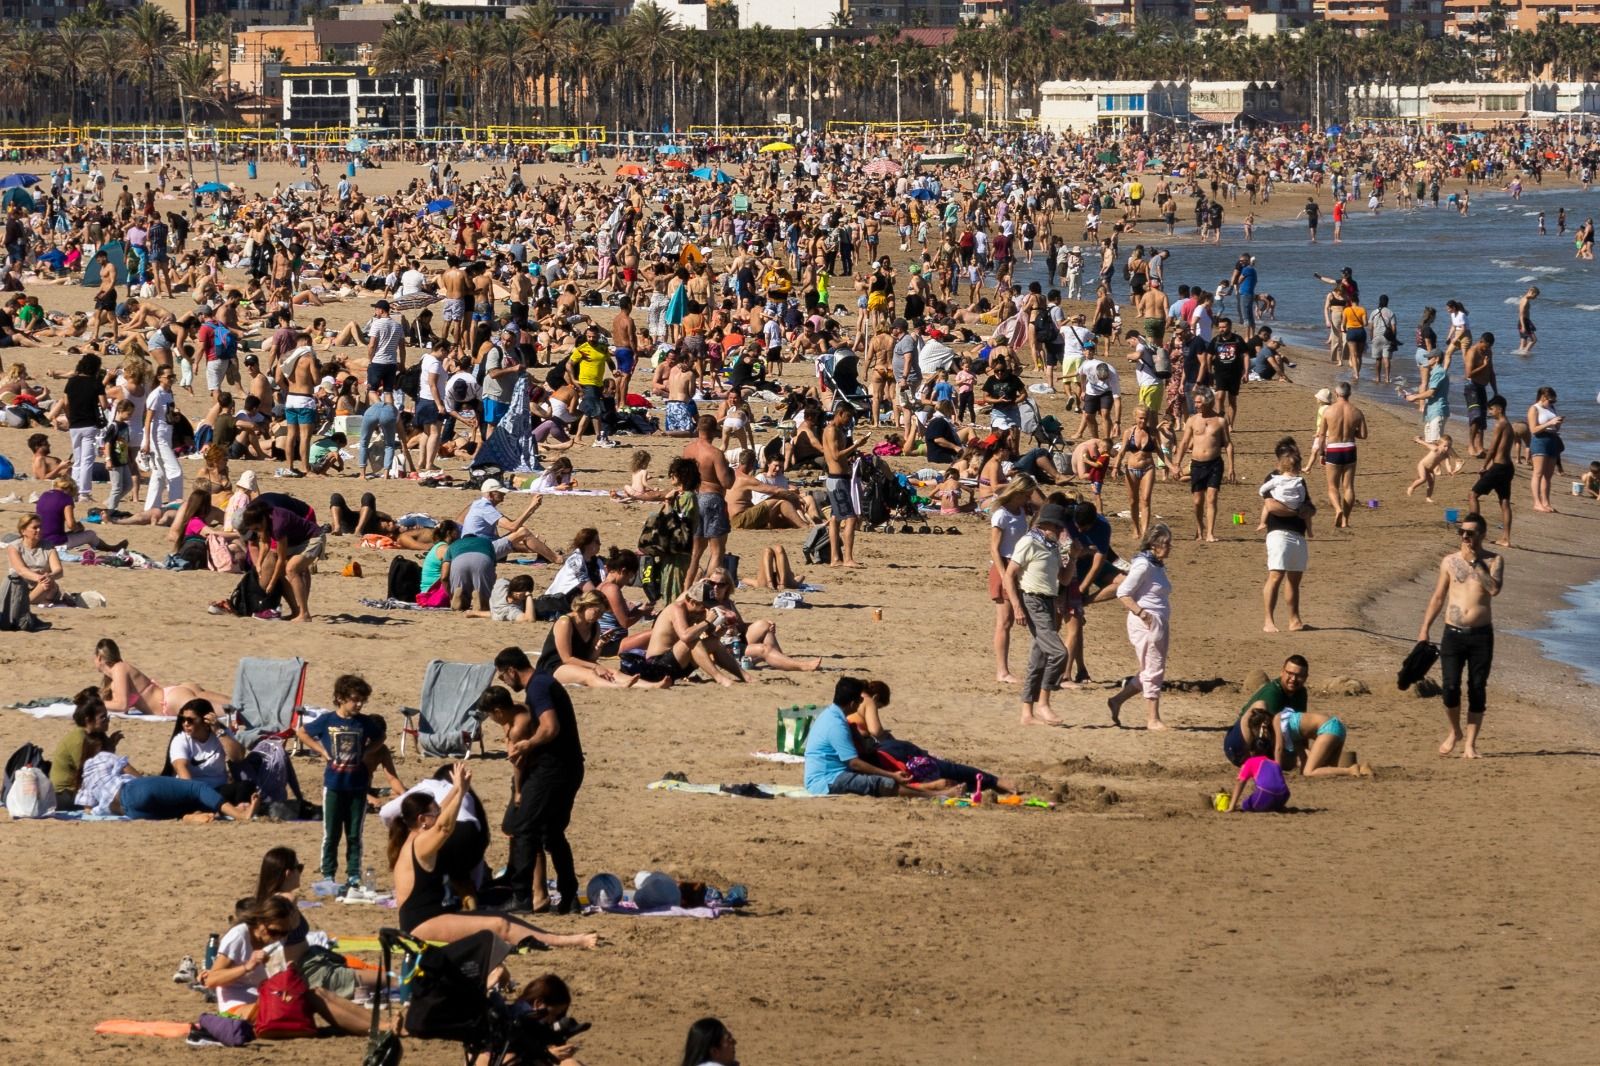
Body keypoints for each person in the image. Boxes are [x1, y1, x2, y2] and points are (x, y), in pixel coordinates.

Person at [388, 762, 596, 948]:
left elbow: (440, 813)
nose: (439, 814)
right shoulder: (420, 843)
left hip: (434, 916)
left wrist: (459, 788)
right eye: (433, 814)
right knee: (499, 924)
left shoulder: (416, 834)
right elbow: (443, 827)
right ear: (423, 819)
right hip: (420, 926)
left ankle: (556, 937)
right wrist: (460, 794)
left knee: (498, 916)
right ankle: (570, 941)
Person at [488, 648, 594, 915]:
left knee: (524, 828)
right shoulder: (545, 682)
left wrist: (527, 745)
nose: (505, 682)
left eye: (503, 676)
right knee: (552, 833)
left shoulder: (537, 688)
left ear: (512, 670)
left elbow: (550, 727)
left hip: (554, 769)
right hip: (570, 768)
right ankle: (569, 896)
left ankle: (523, 896)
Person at [200, 896, 374, 1035]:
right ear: (260, 922)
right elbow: (211, 980)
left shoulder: (275, 938)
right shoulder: (239, 936)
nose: (277, 937)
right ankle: (376, 1027)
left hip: (264, 1000)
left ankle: (377, 1024)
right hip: (237, 1009)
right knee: (312, 997)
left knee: (316, 993)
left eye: (283, 933)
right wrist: (247, 966)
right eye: (273, 932)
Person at [1418, 510, 1503, 759]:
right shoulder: (1449, 561)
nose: (1465, 537)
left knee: (1477, 687)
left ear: (1482, 535)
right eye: (1462, 532)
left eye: (1470, 533)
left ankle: (1471, 743)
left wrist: (1477, 563)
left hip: (1481, 635)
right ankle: (1455, 731)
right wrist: (1424, 629)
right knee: (1451, 686)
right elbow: (1438, 597)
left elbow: (1494, 590)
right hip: (1452, 633)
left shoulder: (1494, 560)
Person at [296, 675, 387, 893]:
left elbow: (381, 737)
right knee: (331, 833)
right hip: (334, 785)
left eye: (362, 700)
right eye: (355, 699)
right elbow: (301, 732)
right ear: (340, 698)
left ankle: (353, 875)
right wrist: (321, 751)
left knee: (355, 833)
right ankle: (328, 874)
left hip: (357, 786)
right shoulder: (328, 720)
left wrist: (366, 751)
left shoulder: (364, 722)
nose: (359, 704)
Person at [250, 846, 376, 1001]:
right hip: (310, 972)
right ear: (288, 873)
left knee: (369, 973)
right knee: (388, 980)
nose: (301, 873)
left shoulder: (265, 901)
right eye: (299, 868)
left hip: (309, 965)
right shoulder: (285, 900)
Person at [804, 676, 938, 797]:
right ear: (852, 704)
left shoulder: (830, 715)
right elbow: (854, 763)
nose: (862, 702)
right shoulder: (836, 725)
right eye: (860, 700)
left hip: (831, 775)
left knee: (876, 774)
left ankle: (928, 789)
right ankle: (934, 795)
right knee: (882, 782)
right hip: (827, 781)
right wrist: (891, 775)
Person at [1006, 502, 1069, 727]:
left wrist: (1073, 556)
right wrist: (1017, 606)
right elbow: (1010, 574)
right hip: (1032, 600)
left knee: (1039, 658)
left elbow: (1063, 579)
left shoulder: (1051, 546)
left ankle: (1027, 713)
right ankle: (1044, 702)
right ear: (1047, 525)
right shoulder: (1029, 542)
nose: (1061, 532)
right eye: (1059, 528)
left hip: (1048, 600)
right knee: (1059, 652)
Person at [1106, 524, 1173, 731]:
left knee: (1150, 668)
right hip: (1147, 623)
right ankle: (1152, 718)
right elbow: (1123, 592)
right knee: (1154, 668)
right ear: (1154, 545)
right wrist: (1143, 614)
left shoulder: (1156, 564)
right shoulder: (1143, 565)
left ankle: (1117, 700)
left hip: (1157, 621)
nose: (1170, 547)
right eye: (1166, 543)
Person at [1259, 437, 1315, 633]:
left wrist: (1306, 511)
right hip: (1279, 533)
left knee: (1294, 578)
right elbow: (1271, 506)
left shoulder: (1299, 481)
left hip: (1298, 534)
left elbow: (1310, 506)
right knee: (1276, 575)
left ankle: (1294, 620)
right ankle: (1269, 621)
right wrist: (1297, 512)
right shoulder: (1273, 479)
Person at [94, 637, 231, 716]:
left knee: (229, 713)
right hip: (172, 694)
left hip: (169, 701)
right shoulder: (119, 672)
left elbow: (122, 705)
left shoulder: (119, 668)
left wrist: (94, 704)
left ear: (99, 657)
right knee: (235, 705)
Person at [988, 476, 1035, 685]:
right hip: (1004, 565)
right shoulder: (1001, 514)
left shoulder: (1022, 511)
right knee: (1005, 621)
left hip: (1018, 564)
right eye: (1027, 494)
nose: (1029, 498)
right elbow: (994, 548)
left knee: (1015, 620)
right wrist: (1003, 573)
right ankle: (1002, 671)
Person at [1225, 655, 1311, 766]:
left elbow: (1299, 726)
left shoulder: (1301, 693)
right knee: (1261, 706)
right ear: (1282, 672)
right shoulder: (1273, 693)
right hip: (1238, 744)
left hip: (1268, 745)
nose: (1293, 679)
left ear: (1306, 677)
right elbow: (1275, 731)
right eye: (1290, 673)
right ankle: (1255, 760)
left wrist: (1305, 750)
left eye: (1299, 675)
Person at [1170, 387, 1232, 542]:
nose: (1196, 405)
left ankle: (1210, 533)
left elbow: (1228, 444)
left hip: (1215, 464)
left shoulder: (1220, 421)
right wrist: (1176, 463)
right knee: (1198, 501)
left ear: (1208, 401)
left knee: (1212, 498)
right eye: (1195, 402)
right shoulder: (1192, 420)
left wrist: (1232, 467)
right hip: (1196, 464)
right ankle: (1200, 528)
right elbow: (1184, 443)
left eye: (1199, 402)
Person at [823, 402, 869, 568]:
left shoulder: (836, 430)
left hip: (838, 478)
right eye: (848, 416)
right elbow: (835, 456)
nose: (849, 421)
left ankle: (835, 558)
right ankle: (847, 558)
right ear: (840, 413)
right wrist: (856, 445)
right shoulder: (832, 430)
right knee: (850, 518)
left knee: (835, 518)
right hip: (837, 479)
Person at [1319, 382, 1366, 529]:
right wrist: (1352, 432)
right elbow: (1363, 435)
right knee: (1349, 487)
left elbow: (1321, 435)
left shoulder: (1328, 411)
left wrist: (1321, 453)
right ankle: (1345, 520)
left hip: (1333, 448)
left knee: (1332, 486)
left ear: (1336, 393)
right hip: (1349, 448)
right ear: (1349, 394)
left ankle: (1338, 509)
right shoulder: (1357, 411)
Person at [1470, 396, 1515, 547]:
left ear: (1499, 409)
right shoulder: (1509, 425)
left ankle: (1474, 531)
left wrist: (1484, 466)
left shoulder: (1500, 424)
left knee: (1473, 495)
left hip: (1499, 467)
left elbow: (1493, 448)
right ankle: (1506, 539)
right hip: (1508, 468)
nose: (1490, 411)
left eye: (1491, 409)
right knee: (1504, 502)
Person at [8, 513, 71, 606]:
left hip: (45, 586)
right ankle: (28, 601)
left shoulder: (48, 546)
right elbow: (21, 570)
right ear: (23, 531)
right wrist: (39, 578)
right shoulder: (14, 547)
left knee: (47, 584)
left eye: (40, 527)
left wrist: (50, 576)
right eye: (35, 528)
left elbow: (58, 570)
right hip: (22, 586)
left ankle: (30, 600)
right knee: (44, 584)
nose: (39, 530)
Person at [1527, 386, 1564, 514]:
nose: (1552, 403)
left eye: (1554, 401)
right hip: (1540, 440)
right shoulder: (1534, 409)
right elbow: (1533, 430)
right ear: (1543, 397)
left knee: (1548, 475)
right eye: (1551, 401)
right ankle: (1537, 503)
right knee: (1538, 473)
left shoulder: (1551, 408)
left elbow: (1555, 428)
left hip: (1552, 439)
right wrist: (1550, 423)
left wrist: (1557, 424)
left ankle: (1546, 502)